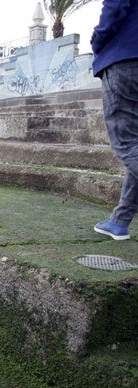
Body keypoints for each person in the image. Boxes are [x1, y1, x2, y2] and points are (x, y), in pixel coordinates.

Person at [91, 0, 138, 240]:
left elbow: (115, 6)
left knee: (127, 143)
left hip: (125, 58)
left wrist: (97, 40)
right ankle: (120, 220)